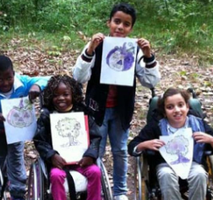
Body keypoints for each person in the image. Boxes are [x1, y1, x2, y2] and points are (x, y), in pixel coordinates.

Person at [72, 3, 161, 199]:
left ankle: (120, 192)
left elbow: (150, 81)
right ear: (109, 22)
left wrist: (148, 55)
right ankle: (97, 189)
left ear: (131, 28)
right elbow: (79, 76)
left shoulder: (134, 50)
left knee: (120, 150)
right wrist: (89, 49)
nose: (120, 27)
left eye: (126, 24)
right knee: (97, 149)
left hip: (122, 110)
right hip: (97, 110)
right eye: (117, 21)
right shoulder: (97, 46)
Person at [0, 55, 49, 200]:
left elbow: (47, 79)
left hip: (16, 130)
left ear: (14, 73)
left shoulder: (23, 82)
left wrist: (36, 86)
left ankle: (18, 192)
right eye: (0, 79)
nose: (5, 83)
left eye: (9, 77)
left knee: (15, 158)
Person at [128, 87, 213, 200]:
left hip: (193, 163)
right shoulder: (157, 125)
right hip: (166, 165)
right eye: (170, 107)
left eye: (180, 105)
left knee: (199, 174)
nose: (176, 110)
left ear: (187, 107)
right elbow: (132, 146)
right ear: (164, 112)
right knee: (166, 174)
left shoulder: (198, 124)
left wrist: (210, 140)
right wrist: (144, 145)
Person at [33, 75, 102, 200]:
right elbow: (40, 140)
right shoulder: (47, 116)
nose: (61, 98)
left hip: (82, 161)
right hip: (58, 163)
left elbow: (95, 137)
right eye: (56, 95)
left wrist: (90, 155)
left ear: (73, 95)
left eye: (65, 94)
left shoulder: (83, 113)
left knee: (95, 172)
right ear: (50, 97)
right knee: (55, 176)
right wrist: (52, 155)